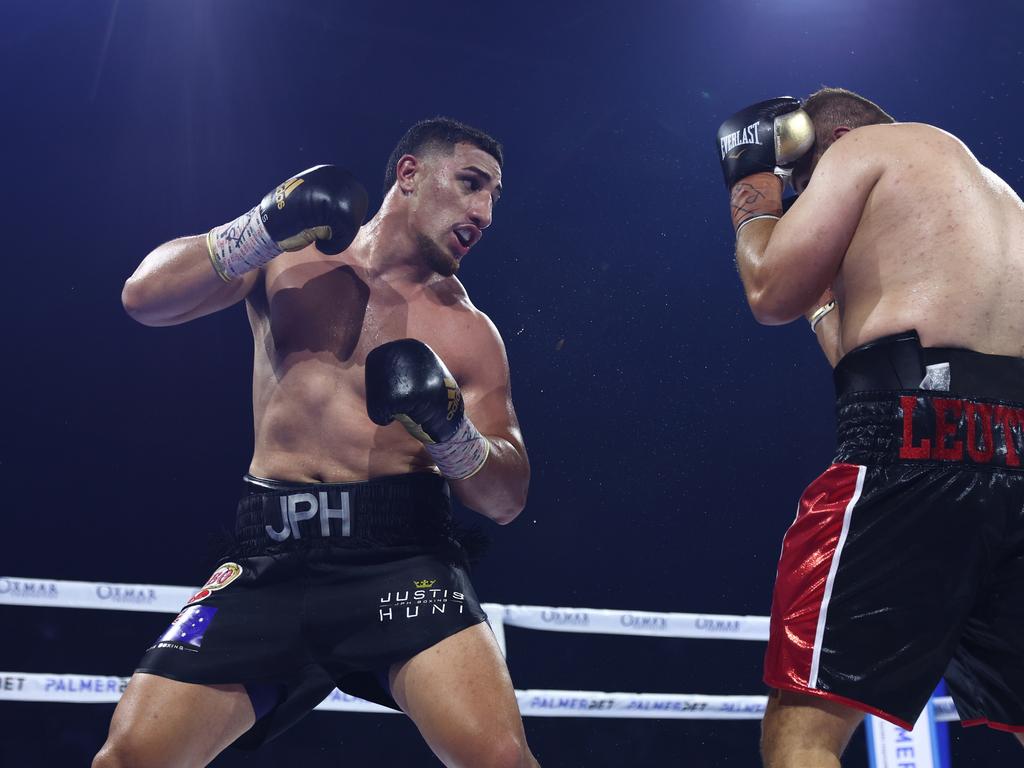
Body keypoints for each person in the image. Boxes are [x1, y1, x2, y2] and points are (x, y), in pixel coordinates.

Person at [94, 117, 539, 768]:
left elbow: (507, 498)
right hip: (267, 563)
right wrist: (262, 224)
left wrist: (454, 433)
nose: (484, 211)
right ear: (409, 174)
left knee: (501, 760)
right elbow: (144, 296)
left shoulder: (470, 333)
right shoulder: (293, 258)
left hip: (403, 566)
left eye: (495, 197)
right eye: (472, 184)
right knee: (128, 759)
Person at [717, 88, 1024, 767]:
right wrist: (824, 302)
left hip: (908, 449)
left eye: (806, 186)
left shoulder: (860, 150)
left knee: (805, 730)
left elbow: (767, 289)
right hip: (1015, 460)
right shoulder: (997, 197)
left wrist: (753, 193)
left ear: (833, 140)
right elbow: (866, 354)